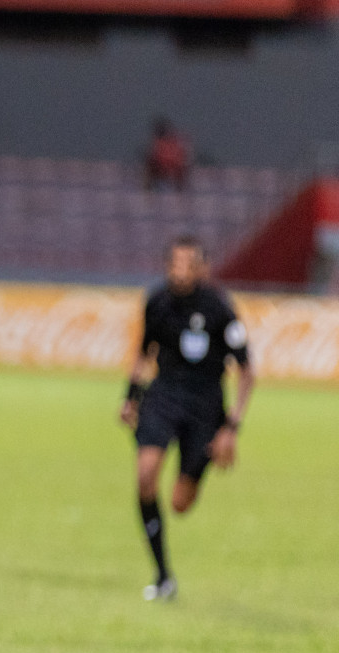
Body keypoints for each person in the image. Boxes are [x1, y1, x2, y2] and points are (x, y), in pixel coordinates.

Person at [121, 236, 254, 600]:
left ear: (202, 268)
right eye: (174, 264)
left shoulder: (220, 309)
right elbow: (142, 353)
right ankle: (163, 575)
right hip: (163, 396)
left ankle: (198, 464)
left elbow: (246, 373)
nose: (180, 271)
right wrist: (130, 398)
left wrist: (231, 427)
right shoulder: (157, 302)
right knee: (146, 475)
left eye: (188, 264)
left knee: (180, 503)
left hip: (206, 407)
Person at [145, 119, 190, 192]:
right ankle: (149, 189)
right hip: (164, 167)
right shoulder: (160, 143)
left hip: (171, 167)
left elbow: (180, 156)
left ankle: (180, 189)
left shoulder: (170, 142)